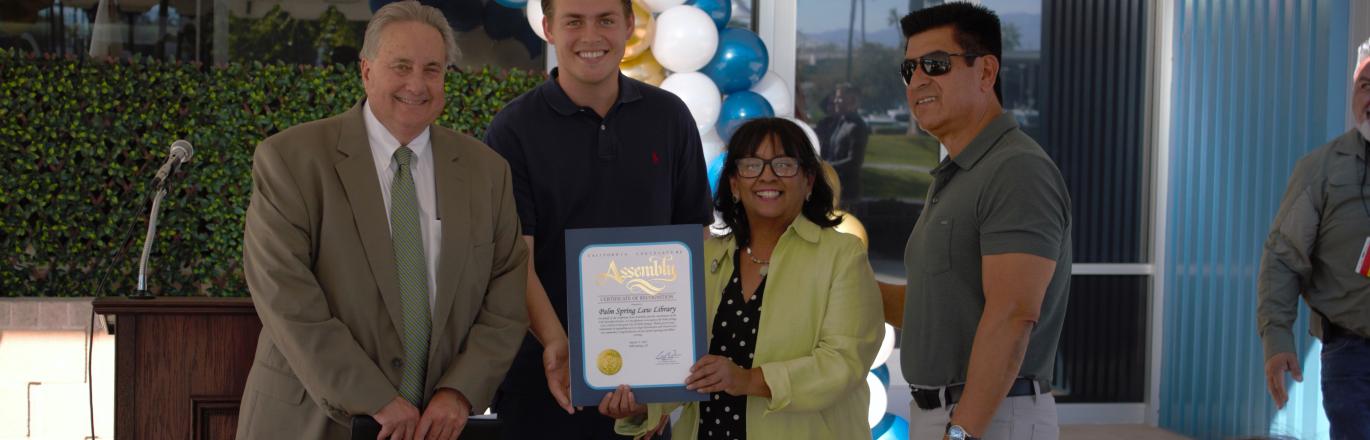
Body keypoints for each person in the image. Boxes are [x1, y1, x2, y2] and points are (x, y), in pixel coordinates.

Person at [236, 2, 529, 438]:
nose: (417, 84)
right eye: (401, 66)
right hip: (312, 422)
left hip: (437, 426)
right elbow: (286, 296)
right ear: (366, 70)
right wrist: (371, 397)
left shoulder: (487, 172)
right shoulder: (292, 160)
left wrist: (461, 391)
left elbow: (506, 297)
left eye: (433, 69)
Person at [482, 0, 713, 437]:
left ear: (630, 25)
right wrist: (559, 344)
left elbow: (693, 241)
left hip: (647, 384)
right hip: (546, 380)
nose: (591, 37)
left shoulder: (671, 117)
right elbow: (516, 259)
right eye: (574, 21)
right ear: (549, 28)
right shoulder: (513, 128)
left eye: (606, 20)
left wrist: (669, 369)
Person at [600, 117, 884, 439]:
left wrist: (749, 379)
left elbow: (842, 364)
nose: (767, 175)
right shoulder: (704, 258)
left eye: (784, 164)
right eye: (751, 165)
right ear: (734, 184)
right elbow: (682, 365)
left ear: (808, 181)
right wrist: (642, 405)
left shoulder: (842, 256)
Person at [878, 4, 1073, 440]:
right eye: (910, 68)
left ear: (986, 72)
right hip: (951, 415)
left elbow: (1012, 315)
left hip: (988, 418)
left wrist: (963, 431)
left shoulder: (1016, 169)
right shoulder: (962, 171)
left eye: (936, 64)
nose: (919, 80)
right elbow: (937, 305)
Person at [1257, 37, 1370, 440]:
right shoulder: (1321, 170)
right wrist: (1278, 338)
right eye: (1365, 85)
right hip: (1354, 357)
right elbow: (1283, 258)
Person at [816, 83, 870, 208]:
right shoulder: (839, 122)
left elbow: (854, 161)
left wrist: (826, 167)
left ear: (851, 101)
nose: (835, 101)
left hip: (847, 195)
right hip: (832, 188)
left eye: (839, 98)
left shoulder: (856, 126)